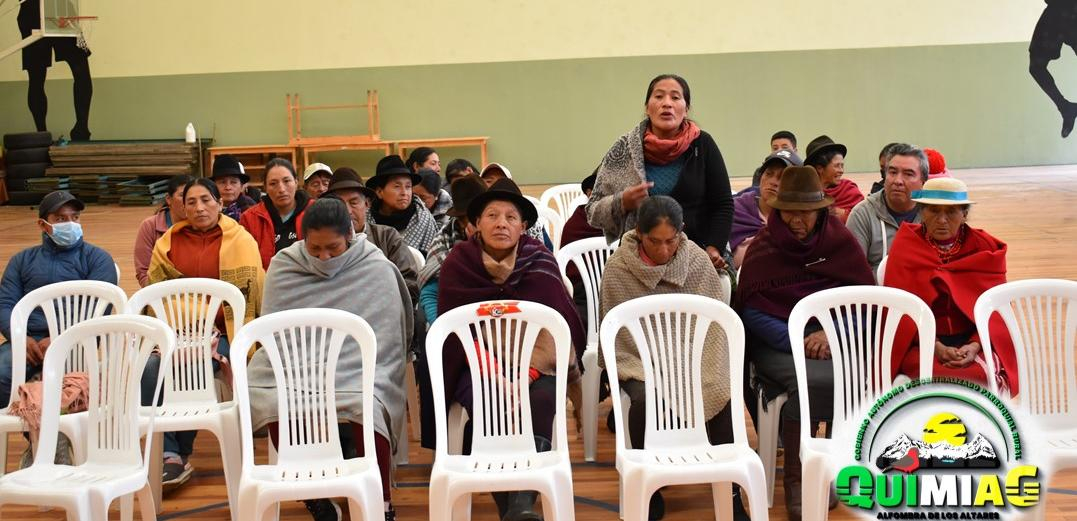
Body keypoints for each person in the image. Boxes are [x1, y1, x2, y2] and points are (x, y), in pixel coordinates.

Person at [246, 198, 410, 521]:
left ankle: (382, 501)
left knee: (370, 403)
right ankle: (314, 493)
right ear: (303, 239)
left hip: (358, 365)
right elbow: (273, 333)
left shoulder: (375, 266)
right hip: (296, 362)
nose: (324, 257)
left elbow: (388, 336)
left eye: (333, 248)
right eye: (315, 248)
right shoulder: (284, 265)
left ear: (350, 234)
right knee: (270, 393)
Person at [437, 182, 584, 521]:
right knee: (492, 406)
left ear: (522, 226)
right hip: (474, 365)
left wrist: (526, 373)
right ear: (475, 224)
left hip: (537, 364)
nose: (501, 223)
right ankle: (519, 508)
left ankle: (518, 507)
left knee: (544, 399)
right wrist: (492, 368)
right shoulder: (459, 263)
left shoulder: (539, 259)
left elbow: (554, 329)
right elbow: (453, 331)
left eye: (510, 217)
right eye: (491, 215)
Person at [735, 167, 875, 521]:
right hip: (779, 341)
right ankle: (797, 481)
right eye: (789, 212)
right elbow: (751, 310)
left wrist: (832, 335)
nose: (796, 220)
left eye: (805, 212)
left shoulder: (840, 243)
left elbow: (864, 301)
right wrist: (798, 337)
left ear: (820, 211)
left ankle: (826, 466)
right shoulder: (764, 248)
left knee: (850, 380)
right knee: (810, 383)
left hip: (833, 340)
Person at [599, 196, 747, 521]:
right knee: (643, 401)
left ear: (682, 233)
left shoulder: (696, 260)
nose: (664, 250)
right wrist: (659, 362)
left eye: (671, 240)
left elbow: (714, 325)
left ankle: (730, 489)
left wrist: (691, 361)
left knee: (720, 392)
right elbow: (615, 331)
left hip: (694, 351)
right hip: (641, 357)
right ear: (639, 233)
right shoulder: (619, 268)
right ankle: (647, 487)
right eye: (655, 241)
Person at [145, 178, 264, 490]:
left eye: (206, 200)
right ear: (182, 207)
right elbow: (159, 295)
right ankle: (161, 451)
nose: (199, 207)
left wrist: (206, 325)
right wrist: (190, 322)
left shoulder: (241, 240)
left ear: (220, 203)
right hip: (175, 333)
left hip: (227, 332)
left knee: (189, 365)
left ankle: (176, 454)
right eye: (191, 202)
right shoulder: (167, 243)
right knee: (149, 369)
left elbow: (252, 295)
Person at [883, 177, 1017, 394]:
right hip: (920, 341)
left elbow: (995, 312)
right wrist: (936, 347)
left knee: (977, 377)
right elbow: (899, 313)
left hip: (976, 340)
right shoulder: (906, 246)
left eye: (951, 212)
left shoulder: (985, 249)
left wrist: (974, 346)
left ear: (964, 215)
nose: (942, 220)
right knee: (934, 378)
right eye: (934, 211)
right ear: (922, 212)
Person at [588, 73, 733, 271]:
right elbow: (592, 211)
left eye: (675, 97)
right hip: (637, 260)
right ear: (647, 107)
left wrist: (714, 248)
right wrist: (622, 202)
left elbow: (723, 204)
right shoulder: (624, 149)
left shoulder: (703, 144)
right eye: (658, 96)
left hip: (696, 256)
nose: (667, 103)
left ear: (686, 108)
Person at [0, 191, 116, 407]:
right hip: (27, 341)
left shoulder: (97, 259)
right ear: (43, 225)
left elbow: (99, 309)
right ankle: (31, 430)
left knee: (64, 385)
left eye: (75, 217)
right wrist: (20, 338)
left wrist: (61, 337)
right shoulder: (22, 260)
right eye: (61, 219)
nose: (70, 224)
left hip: (78, 341)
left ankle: (50, 436)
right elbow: (5, 304)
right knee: (2, 372)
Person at [324, 167, 419, 301]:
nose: (347, 211)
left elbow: (411, 285)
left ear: (367, 203)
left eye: (354, 202)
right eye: (339, 204)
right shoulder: (321, 244)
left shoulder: (388, 237)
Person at [17, 0, 92, 140]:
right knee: (36, 76)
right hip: (33, 11)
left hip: (60, 7)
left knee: (80, 68)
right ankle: (42, 133)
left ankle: (81, 128)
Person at [847, 143, 927, 273]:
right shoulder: (862, 214)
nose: (898, 181)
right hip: (875, 291)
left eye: (908, 174)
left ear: (923, 182)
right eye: (893, 172)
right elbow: (854, 272)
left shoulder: (933, 214)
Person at [731, 150, 802, 268]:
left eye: (783, 177)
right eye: (769, 174)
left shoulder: (800, 222)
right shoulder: (735, 211)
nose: (773, 182)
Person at [240, 158, 314, 269]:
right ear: (265, 187)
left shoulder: (315, 211)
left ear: (296, 182)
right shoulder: (250, 218)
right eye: (273, 183)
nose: (281, 189)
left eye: (287, 181)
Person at [367, 155, 439, 254]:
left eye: (408, 187)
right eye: (397, 186)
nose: (404, 192)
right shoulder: (365, 218)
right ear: (379, 192)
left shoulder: (423, 219)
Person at [134, 174, 194, 287]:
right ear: (168, 199)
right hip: (159, 293)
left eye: (192, 196)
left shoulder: (202, 225)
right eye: (182, 195)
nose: (188, 201)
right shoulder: (150, 226)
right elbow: (143, 273)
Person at [1029, 0, 1077, 137]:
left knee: (1036, 67)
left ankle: (1066, 109)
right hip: (1056, 13)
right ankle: (1066, 109)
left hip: (1071, 10)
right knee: (1036, 67)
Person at [803, 135, 863, 223]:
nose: (841, 171)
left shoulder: (848, 190)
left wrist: (844, 215)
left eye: (842, 166)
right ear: (820, 168)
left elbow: (863, 218)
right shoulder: (803, 193)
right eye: (837, 166)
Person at [211, 155, 256, 221]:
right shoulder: (206, 210)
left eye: (233, 182)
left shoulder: (252, 212)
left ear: (241, 186)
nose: (228, 187)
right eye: (222, 182)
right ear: (213, 186)